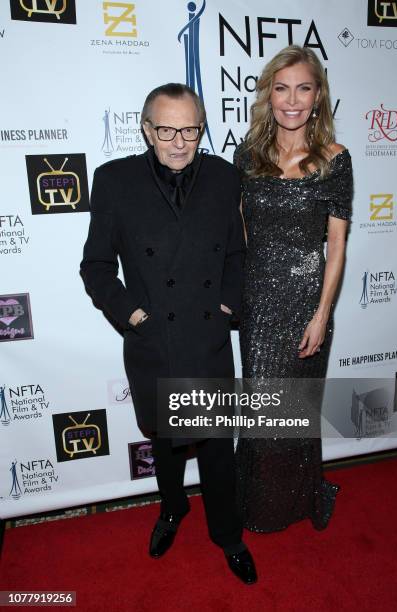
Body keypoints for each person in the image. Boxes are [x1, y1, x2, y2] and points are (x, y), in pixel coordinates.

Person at [80, 83, 257, 584]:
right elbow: (96, 267)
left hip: (207, 339)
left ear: (201, 128)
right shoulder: (114, 180)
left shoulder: (225, 177)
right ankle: (172, 510)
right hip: (155, 341)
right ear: (146, 129)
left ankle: (228, 535)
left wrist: (225, 306)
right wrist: (134, 316)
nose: (179, 142)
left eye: (190, 129)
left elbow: (237, 255)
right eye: (166, 130)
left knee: (219, 445)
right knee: (166, 443)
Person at [233, 46, 353, 532]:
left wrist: (322, 315)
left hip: (306, 301)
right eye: (281, 88)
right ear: (268, 95)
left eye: (304, 87)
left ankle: (298, 500)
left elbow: (338, 245)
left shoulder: (335, 160)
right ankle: (259, 505)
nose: (292, 99)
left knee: (297, 409)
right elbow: (240, 234)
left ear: (318, 95)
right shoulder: (248, 155)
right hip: (258, 302)